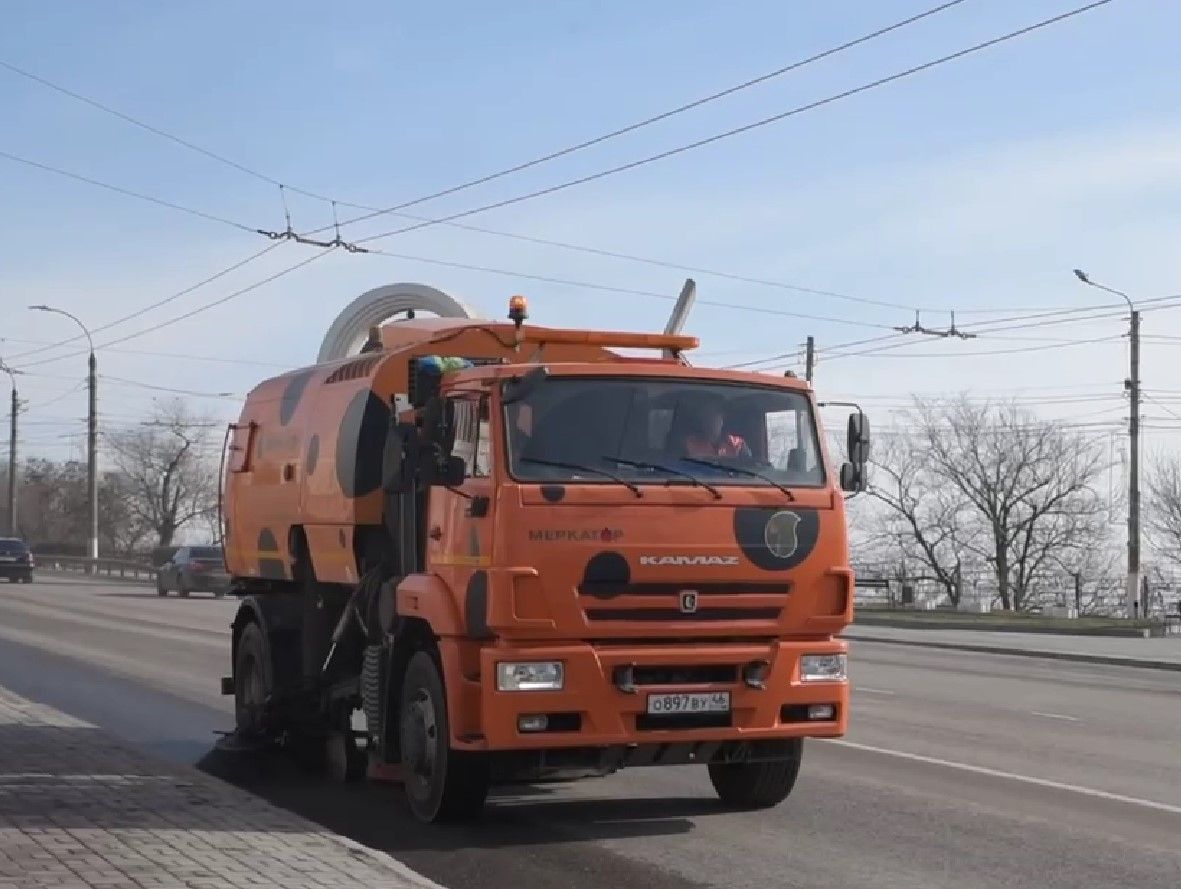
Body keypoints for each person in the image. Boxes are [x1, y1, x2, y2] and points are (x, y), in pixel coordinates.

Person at [679, 402, 750, 458]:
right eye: (707, 417)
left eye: (715, 417)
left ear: (722, 420)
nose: (711, 422)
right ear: (702, 421)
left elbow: (751, 468)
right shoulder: (690, 444)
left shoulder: (737, 444)